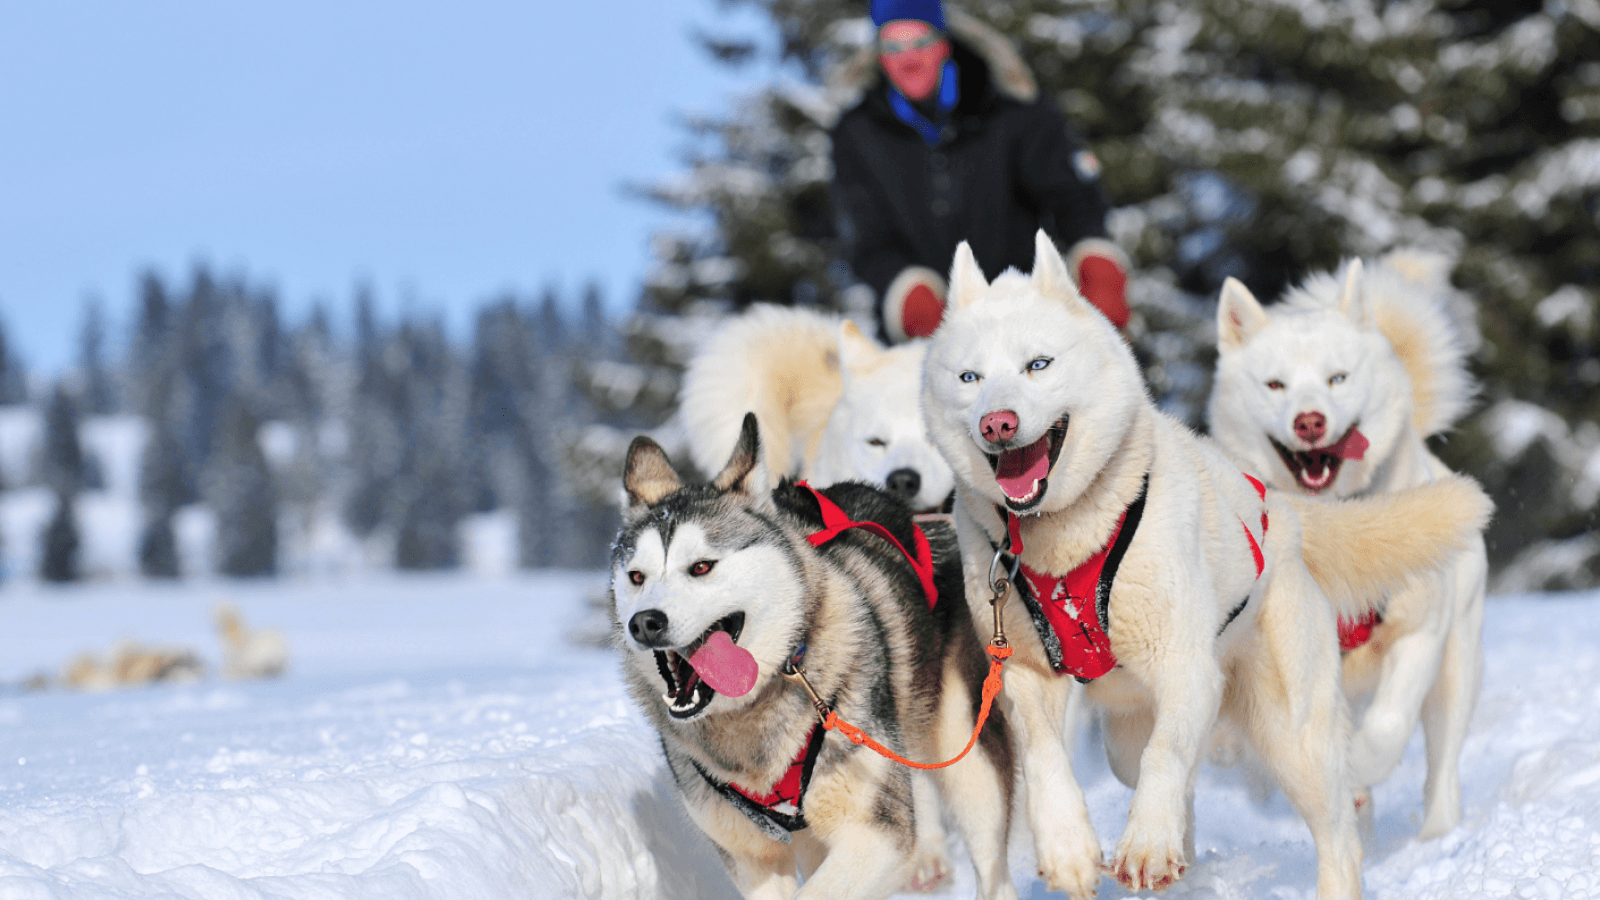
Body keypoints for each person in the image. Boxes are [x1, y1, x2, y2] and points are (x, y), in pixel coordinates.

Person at [830, 0, 1130, 343]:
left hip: (1027, 320)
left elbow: (1074, 198)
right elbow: (867, 239)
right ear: (879, 56)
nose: (908, 58)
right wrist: (910, 296)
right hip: (923, 340)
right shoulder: (855, 134)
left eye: (920, 43)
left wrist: (1097, 265)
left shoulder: (1012, 109)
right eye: (893, 47)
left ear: (943, 44)